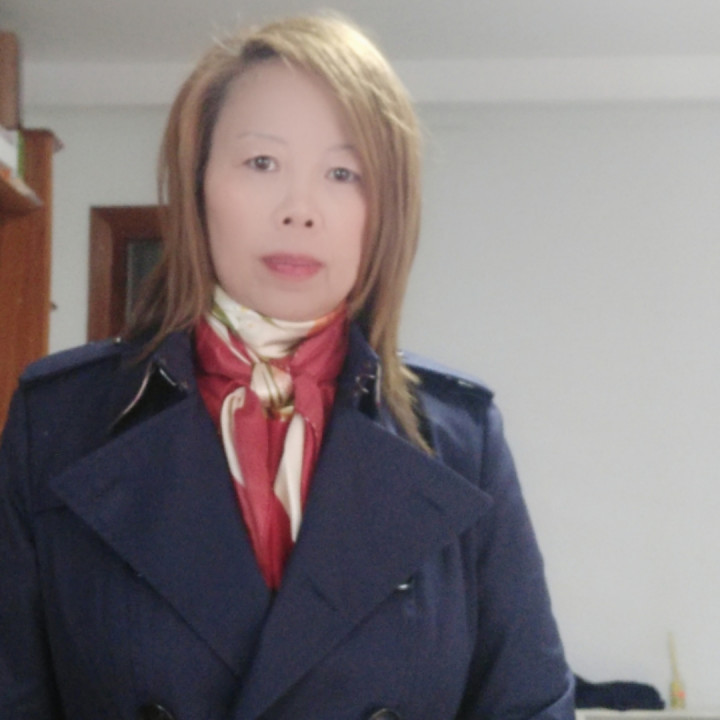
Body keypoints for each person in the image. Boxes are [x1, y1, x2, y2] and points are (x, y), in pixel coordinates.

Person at [0, 14, 574, 720]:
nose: (300, 211)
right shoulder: (58, 420)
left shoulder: (462, 440)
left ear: (384, 210)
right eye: (261, 163)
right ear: (199, 183)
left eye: (343, 173)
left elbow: (529, 703)